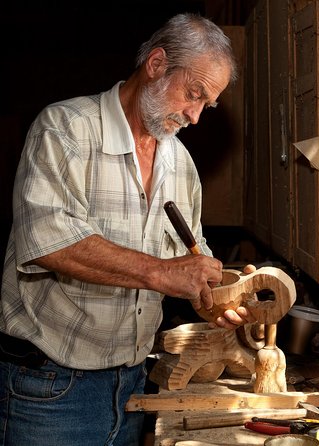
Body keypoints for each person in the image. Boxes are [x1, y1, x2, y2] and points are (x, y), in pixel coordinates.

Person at [0, 13, 254, 445]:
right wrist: (162, 272)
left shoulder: (181, 164)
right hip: (52, 389)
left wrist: (211, 298)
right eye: (193, 95)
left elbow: (190, 258)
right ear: (156, 63)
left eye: (206, 105)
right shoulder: (65, 129)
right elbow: (46, 242)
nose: (195, 117)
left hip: (134, 384)